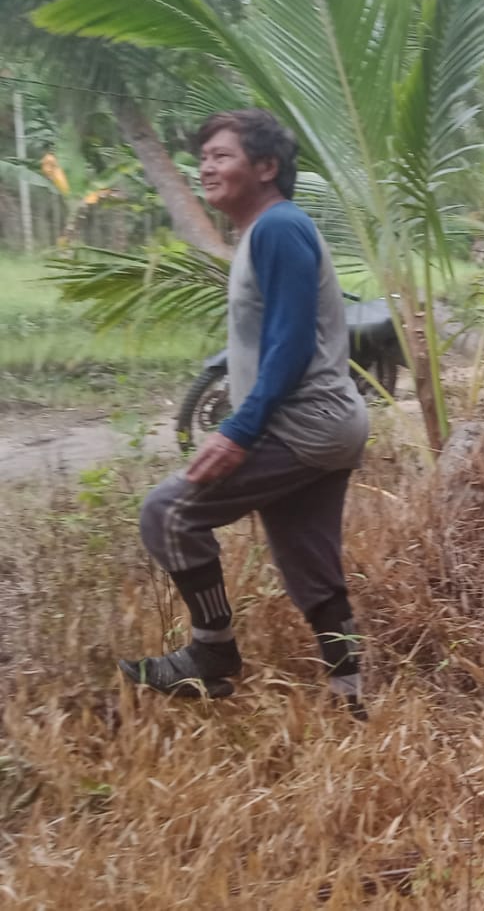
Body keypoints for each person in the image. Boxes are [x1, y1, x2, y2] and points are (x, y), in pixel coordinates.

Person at [119, 109, 370, 717]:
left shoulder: (279, 226)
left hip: (302, 422)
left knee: (169, 513)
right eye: (203, 156)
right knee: (310, 565)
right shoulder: (268, 231)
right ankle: (352, 701)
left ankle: (212, 654)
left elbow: (289, 340)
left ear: (266, 167)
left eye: (222, 155)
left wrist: (241, 428)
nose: (206, 166)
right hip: (327, 424)